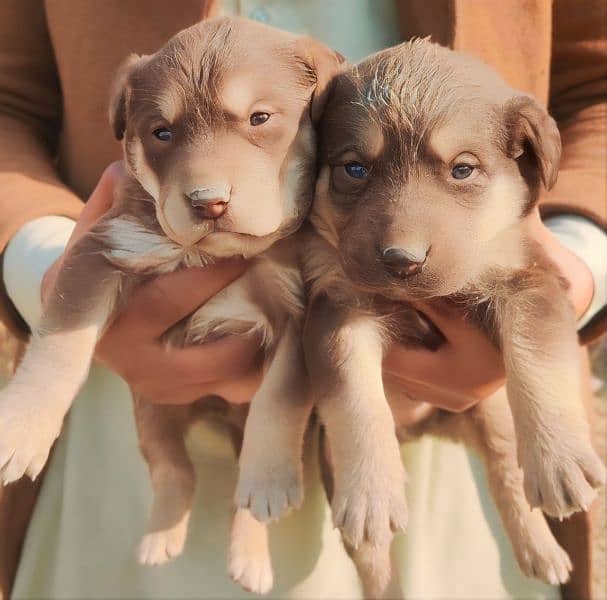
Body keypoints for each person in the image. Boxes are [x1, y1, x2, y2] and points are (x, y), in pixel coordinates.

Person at [0, 0, 605, 598]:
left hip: (449, 496)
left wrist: (585, 256)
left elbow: (596, 81)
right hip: (109, 443)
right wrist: (43, 267)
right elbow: (8, 98)